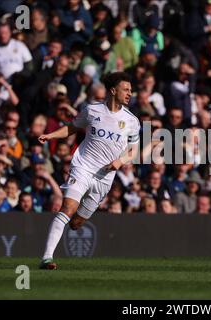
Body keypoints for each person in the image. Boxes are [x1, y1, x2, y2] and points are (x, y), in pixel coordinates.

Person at [37, 72, 140, 269]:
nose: (130, 93)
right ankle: (46, 258)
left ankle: (71, 224)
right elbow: (72, 127)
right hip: (83, 167)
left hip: (104, 179)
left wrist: (120, 161)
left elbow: (133, 151)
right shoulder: (92, 110)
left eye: (130, 90)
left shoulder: (131, 121)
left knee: (76, 223)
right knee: (67, 208)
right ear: (113, 90)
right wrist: (51, 135)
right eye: (126, 89)